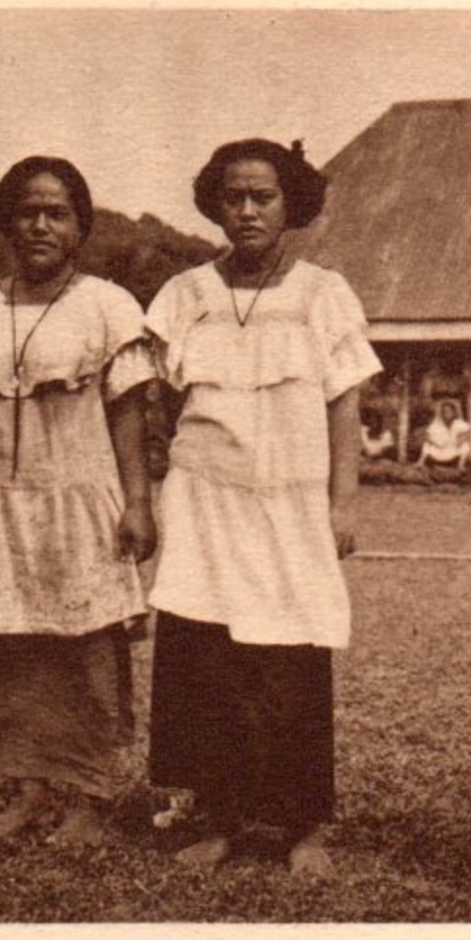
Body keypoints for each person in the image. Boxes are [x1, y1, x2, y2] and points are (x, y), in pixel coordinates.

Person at [0, 155, 156, 847]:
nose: (41, 225)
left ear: (80, 226)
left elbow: (131, 414)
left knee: (83, 652)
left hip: (76, 499)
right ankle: (24, 792)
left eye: (58, 213)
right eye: (28, 212)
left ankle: (89, 799)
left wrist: (138, 501)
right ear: (7, 222)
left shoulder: (106, 306)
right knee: (0, 647)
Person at [144, 138, 382, 875]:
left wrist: (341, 502)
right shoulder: (185, 294)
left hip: (291, 499)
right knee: (206, 659)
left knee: (290, 659)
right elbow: (159, 401)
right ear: (215, 203)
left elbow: (346, 403)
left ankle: (302, 824)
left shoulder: (322, 292)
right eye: (234, 197)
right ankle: (217, 817)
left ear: (291, 205)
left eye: (263, 197)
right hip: (205, 500)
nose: (247, 211)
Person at [419, 399, 471, 467]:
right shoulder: (436, 423)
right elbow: (426, 436)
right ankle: (420, 462)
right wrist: (436, 443)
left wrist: (460, 440)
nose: (447, 413)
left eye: (449, 411)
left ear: (454, 412)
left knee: (465, 445)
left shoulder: (458, 423)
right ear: (442, 413)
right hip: (439, 450)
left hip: (452, 450)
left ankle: (460, 465)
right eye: (444, 411)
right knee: (427, 444)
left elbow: (468, 432)